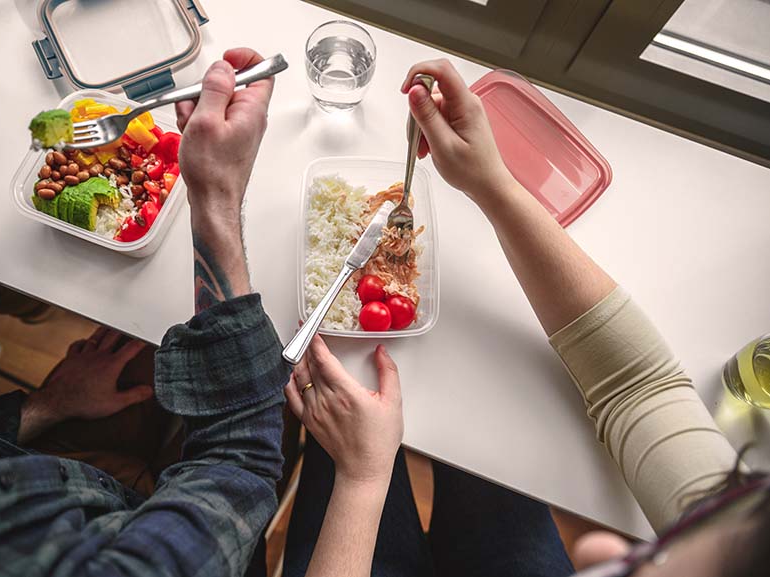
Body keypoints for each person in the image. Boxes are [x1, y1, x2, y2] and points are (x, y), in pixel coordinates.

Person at [282, 59, 769, 577]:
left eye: (648, 561)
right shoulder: (740, 531)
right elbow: (639, 387)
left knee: (335, 455)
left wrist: (361, 477)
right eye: (652, 548)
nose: (598, 551)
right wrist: (491, 182)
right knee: (487, 450)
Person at [0, 48, 289, 576]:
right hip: (185, 527)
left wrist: (46, 406)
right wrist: (216, 194)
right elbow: (241, 463)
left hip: (35, 460)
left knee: (143, 361)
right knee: (282, 388)